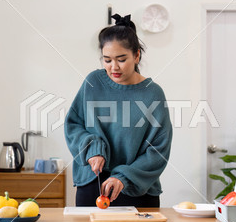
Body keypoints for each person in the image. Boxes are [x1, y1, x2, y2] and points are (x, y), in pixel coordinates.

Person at [64, 13, 172, 207]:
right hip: (92, 183)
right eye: (107, 60)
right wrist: (92, 150)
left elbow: (158, 150)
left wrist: (124, 177)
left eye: (121, 59)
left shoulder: (153, 93)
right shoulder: (93, 82)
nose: (114, 67)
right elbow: (74, 124)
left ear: (137, 55)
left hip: (137, 189)